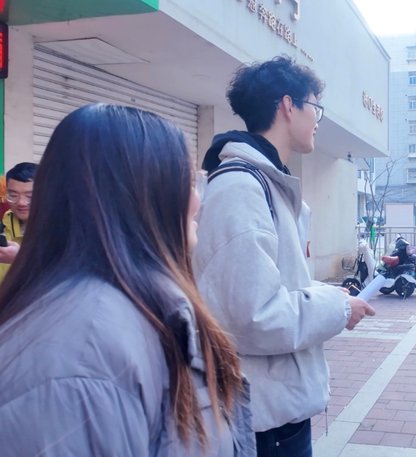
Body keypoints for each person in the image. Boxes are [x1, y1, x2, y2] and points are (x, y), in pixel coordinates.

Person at [0, 104, 254, 455]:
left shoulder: (136, 310)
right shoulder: (85, 357)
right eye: (186, 182)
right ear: (139, 197)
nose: (197, 200)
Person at [193, 56, 375, 457]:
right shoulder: (241, 188)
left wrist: (335, 298)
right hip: (263, 423)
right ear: (289, 105)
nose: (317, 120)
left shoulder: (265, 183)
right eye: (315, 108)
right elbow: (253, 316)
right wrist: (337, 308)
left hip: (274, 413)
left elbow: (276, 287)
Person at [0, 162, 37, 281]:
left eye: (29, 196)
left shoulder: (61, 230)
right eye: (13, 195)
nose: (21, 202)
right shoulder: (3, 227)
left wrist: (20, 259)